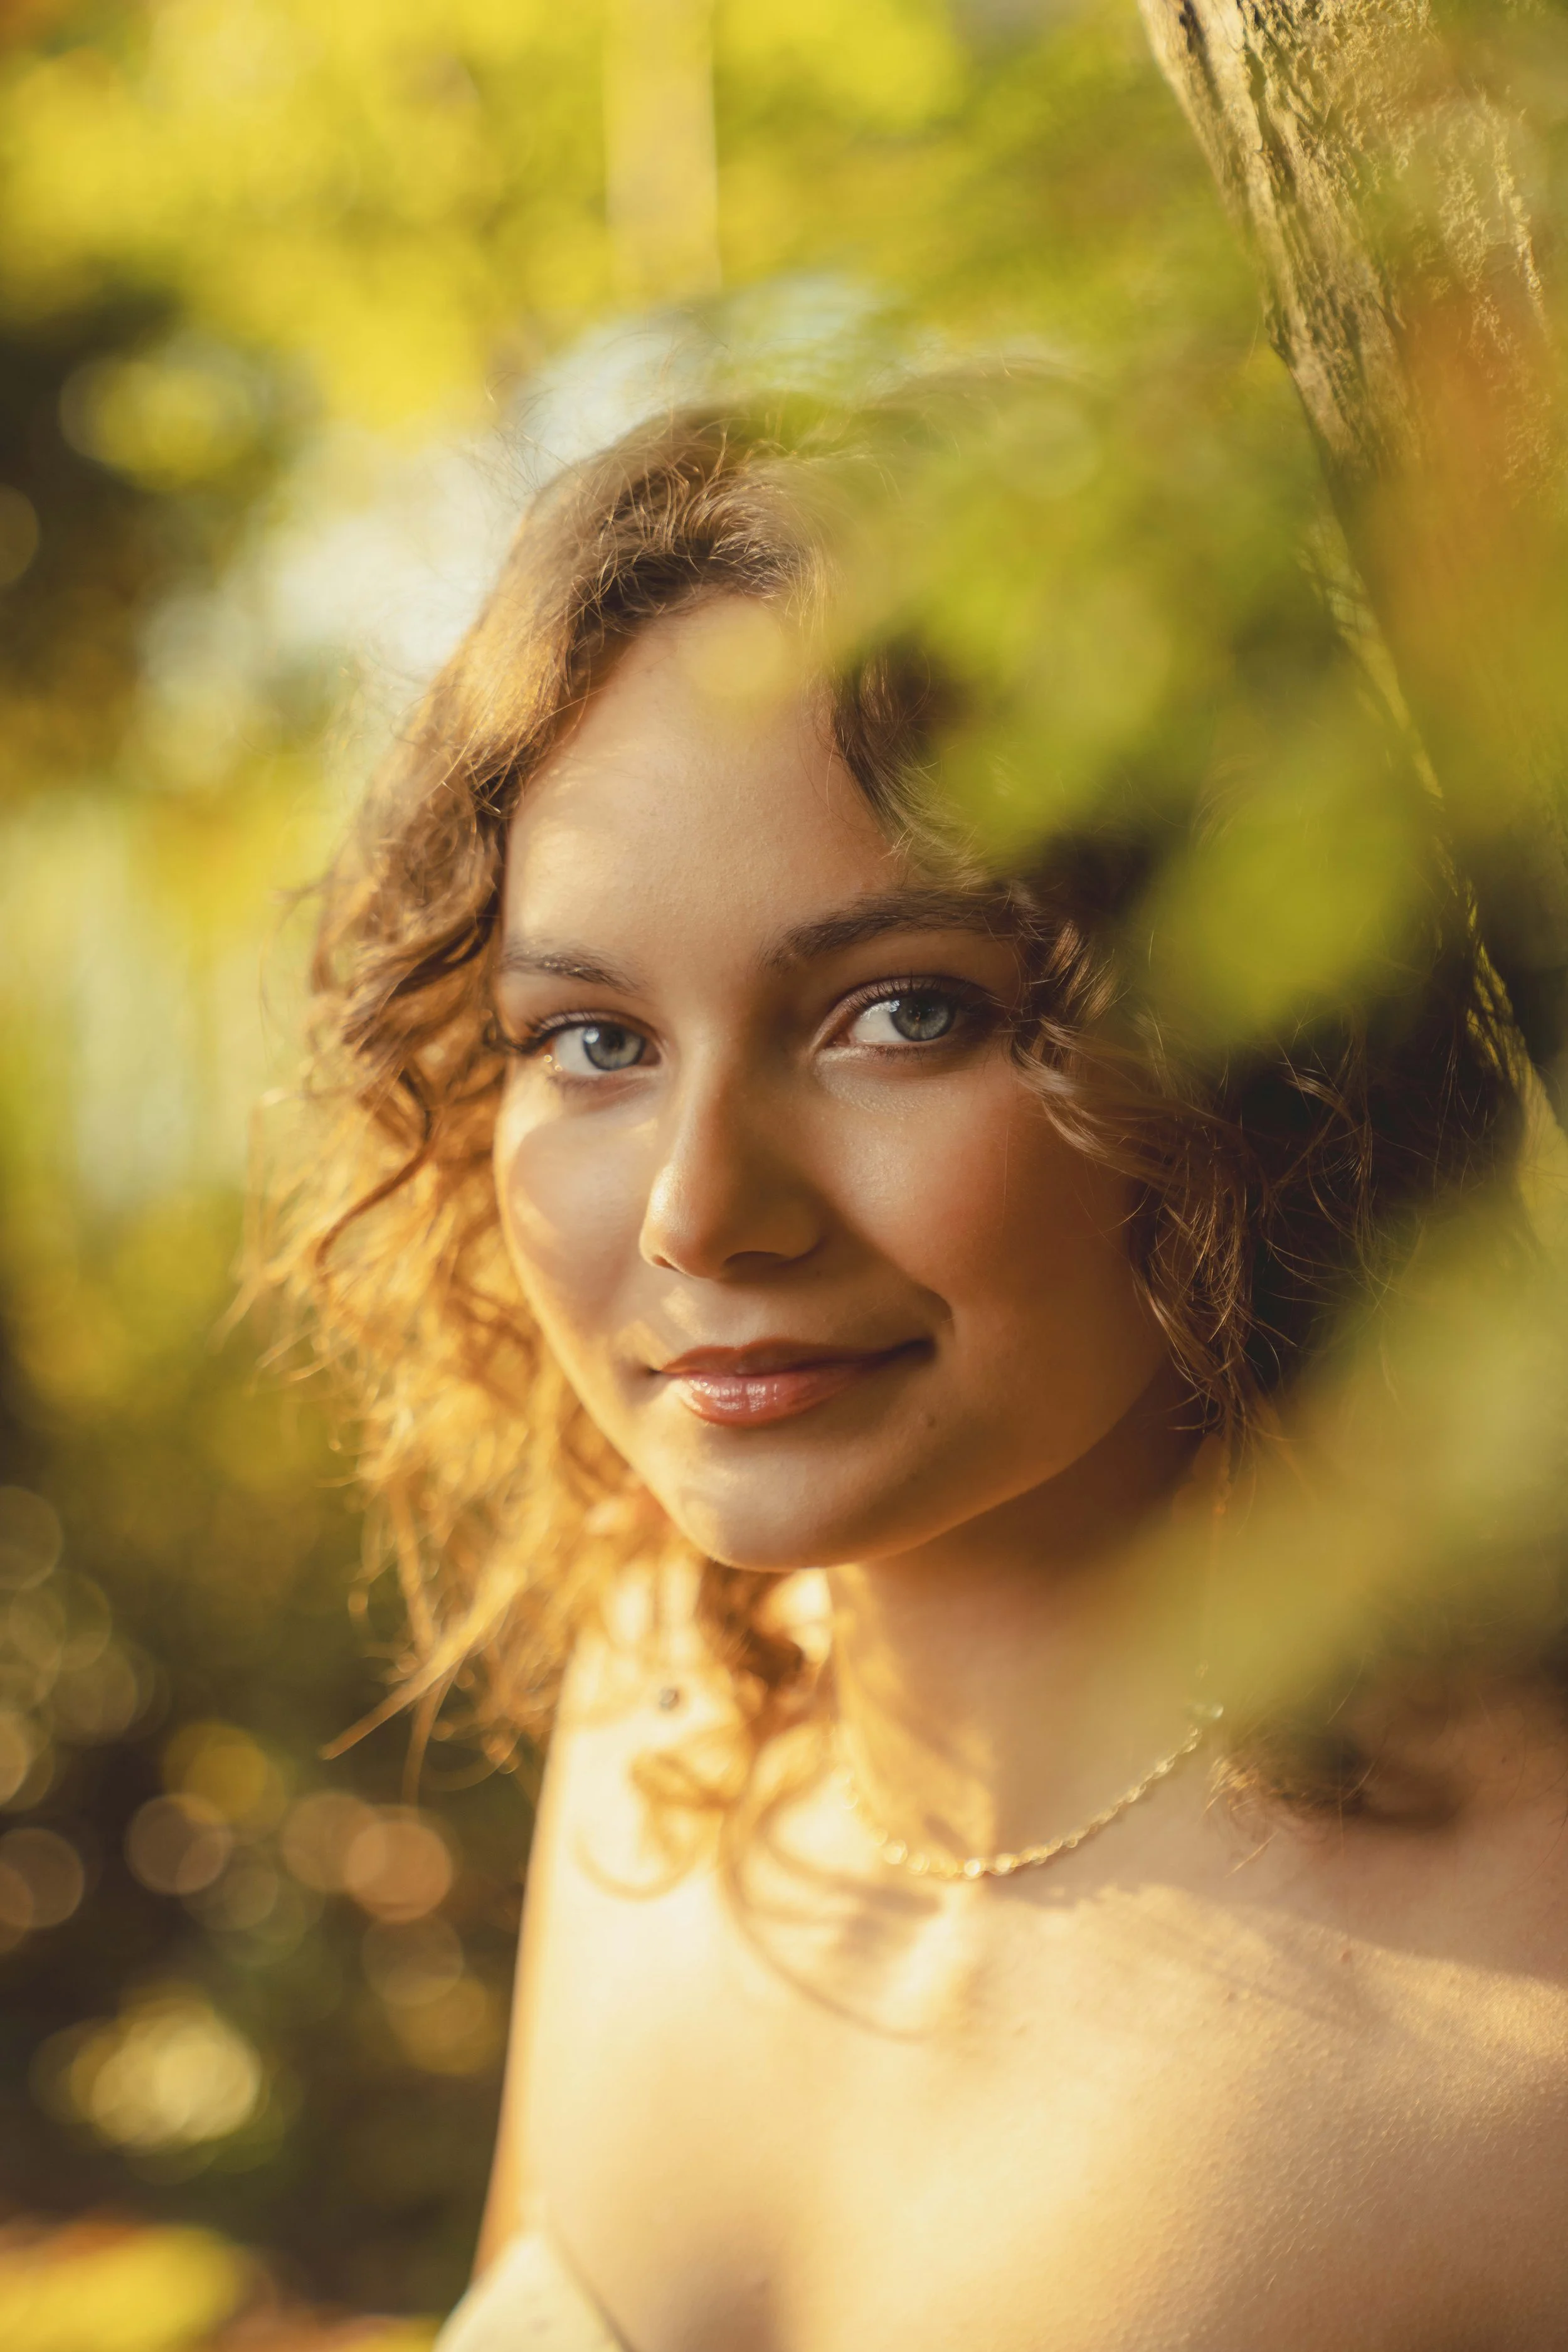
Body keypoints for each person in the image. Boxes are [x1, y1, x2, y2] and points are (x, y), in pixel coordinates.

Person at [279, 396, 1568, 2350]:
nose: (702, 1215)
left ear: (1242, 1042)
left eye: (903, 1011)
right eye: (593, 1038)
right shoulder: (664, 1714)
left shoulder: (1522, 2005)